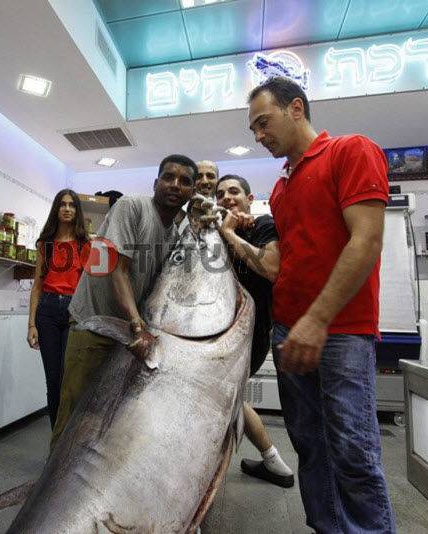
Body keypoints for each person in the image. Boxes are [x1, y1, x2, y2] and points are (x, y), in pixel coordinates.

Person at [247, 77, 396, 533]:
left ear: (296, 108)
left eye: (263, 122)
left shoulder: (351, 151)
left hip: (341, 331)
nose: (258, 135)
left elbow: (366, 241)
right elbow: (284, 264)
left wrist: (317, 319)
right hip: (288, 329)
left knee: (352, 449)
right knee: (310, 445)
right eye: (252, 129)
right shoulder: (280, 189)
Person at [50, 154, 197, 446]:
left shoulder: (172, 234)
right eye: (168, 177)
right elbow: (117, 268)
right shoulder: (131, 207)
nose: (175, 185)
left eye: (184, 182)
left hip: (126, 336)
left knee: (105, 419)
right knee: (74, 414)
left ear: (191, 193)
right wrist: (136, 323)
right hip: (94, 325)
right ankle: (48, 486)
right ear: (156, 182)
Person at [216, 174, 295, 488]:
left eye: (234, 191)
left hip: (250, 336)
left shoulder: (262, 225)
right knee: (227, 399)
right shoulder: (215, 235)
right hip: (218, 334)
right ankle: (274, 462)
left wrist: (230, 234)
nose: (227, 198)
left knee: (222, 400)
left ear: (249, 198)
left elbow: (272, 268)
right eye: (220, 194)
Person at [27, 189, 90, 429]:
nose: (67, 209)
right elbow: (37, 286)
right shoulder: (46, 244)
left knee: (71, 381)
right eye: (62, 204)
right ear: (56, 209)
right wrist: (31, 324)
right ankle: (56, 441)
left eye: (72, 205)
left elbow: (91, 285)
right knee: (53, 380)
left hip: (76, 312)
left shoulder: (86, 244)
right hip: (48, 312)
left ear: (77, 210)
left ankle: (69, 440)